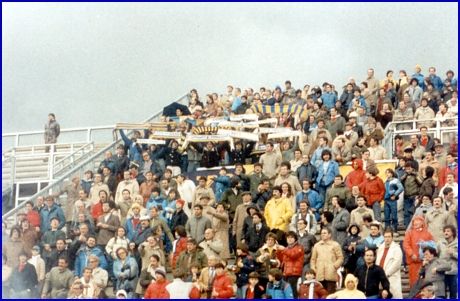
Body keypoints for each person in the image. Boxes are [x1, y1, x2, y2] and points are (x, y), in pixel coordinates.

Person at [403, 216, 435, 288]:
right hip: (413, 263)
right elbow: (406, 245)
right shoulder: (409, 233)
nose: (416, 222)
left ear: (422, 222)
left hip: (426, 263)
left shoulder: (428, 233)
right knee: (414, 284)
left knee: (425, 284)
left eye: (418, 221)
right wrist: (411, 254)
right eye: (414, 221)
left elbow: (433, 245)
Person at [310, 227, 343, 294]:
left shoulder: (335, 245)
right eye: (321, 233)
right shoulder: (317, 245)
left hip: (331, 274)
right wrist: (314, 269)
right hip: (319, 274)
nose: (322, 235)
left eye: (325, 233)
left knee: (330, 295)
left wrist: (334, 266)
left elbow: (340, 258)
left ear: (329, 234)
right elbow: (313, 259)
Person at [376, 229, 403, 298]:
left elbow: (396, 264)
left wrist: (385, 274)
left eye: (389, 237)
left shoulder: (397, 249)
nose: (387, 239)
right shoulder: (380, 248)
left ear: (392, 237)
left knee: (394, 295)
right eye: (385, 237)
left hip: (391, 277)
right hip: (380, 277)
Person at [276, 231, 304, 298]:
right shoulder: (287, 248)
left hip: (294, 273)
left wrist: (283, 249)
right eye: (288, 237)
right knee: (286, 291)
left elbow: (293, 255)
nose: (290, 239)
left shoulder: (299, 247)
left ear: (295, 239)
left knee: (293, 291)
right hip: (286, 273)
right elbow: (281, 259)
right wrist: (278, 251)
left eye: (291, 237)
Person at [436, 225, 458, 299]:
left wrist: (453, 253)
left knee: (453, 292)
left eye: (448, 231)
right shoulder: (440, 242)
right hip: (442, 271)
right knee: (442, 293)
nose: (446, 233)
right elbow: (436, 254)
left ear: (453, 232)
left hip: (453, 271)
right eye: (445, 231)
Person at [383, 168, 404, 234]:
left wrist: (395, 194)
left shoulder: (395, 180)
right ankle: (387, 230)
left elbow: (401, 188)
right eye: (386, 173)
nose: (387, 174)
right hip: (386, 200)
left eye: (388, 172)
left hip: (392, 200)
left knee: (394, 216)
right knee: (386, 216)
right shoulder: (385, 182)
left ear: (392, 174)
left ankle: (394, 230)